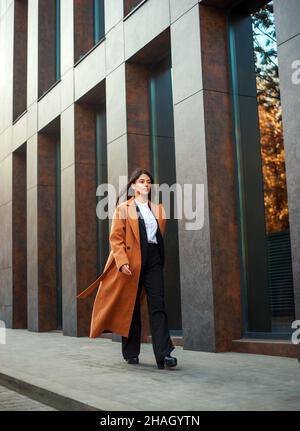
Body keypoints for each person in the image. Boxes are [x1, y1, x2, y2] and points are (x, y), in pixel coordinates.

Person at [77, 167, 177, 370]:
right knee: (130, 306)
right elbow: (116, 238)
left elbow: (158, 235)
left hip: (154, 260)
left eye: (148, 181)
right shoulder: (123, 208)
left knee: (158, 306)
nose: (146, 184)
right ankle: (131, 352)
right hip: (131, 262)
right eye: (141, 181)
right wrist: (122, 262)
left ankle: (164, 355)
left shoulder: (158, 209)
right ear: (133, 185)